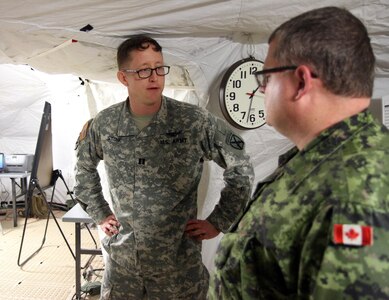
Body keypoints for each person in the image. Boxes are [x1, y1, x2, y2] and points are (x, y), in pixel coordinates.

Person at [208, 6, 389, 299]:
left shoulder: (353, 191)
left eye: (265, 78)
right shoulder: (324, 161)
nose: (263, 90)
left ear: (301, 81)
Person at [73, 35, 254, 299]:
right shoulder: (105, 124)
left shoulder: (193, 122)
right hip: (124, 268)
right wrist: (100, 212)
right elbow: (83, 168)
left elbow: (241, 167)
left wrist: (219, 221)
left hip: (178, 271)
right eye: (144, 70)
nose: (155, 77)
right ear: (124, 78)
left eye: (159, 68)